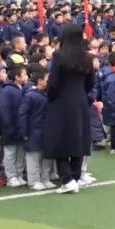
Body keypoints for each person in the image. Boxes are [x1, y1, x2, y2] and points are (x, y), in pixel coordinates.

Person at [42, 23, 95, 194]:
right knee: (79, 139)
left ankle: (67, 178)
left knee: (60, 139)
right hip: (80, 100)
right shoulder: (88, 57)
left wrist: (51, 97)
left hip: (61, 101)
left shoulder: (59, 55)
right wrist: (81, 93)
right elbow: (91, 83)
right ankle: (75, 177)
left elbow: (54, 82)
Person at [19, 65, 52, 190]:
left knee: (46, 156)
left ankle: (45, 179)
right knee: (33, 156)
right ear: (40, 80)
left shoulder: (45, 94)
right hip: (33, 131)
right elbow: (23, 115)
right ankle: (33, 181)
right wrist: (24, 132)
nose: (49, 82)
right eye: (47, 79)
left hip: (45, 131)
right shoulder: (30, 95)